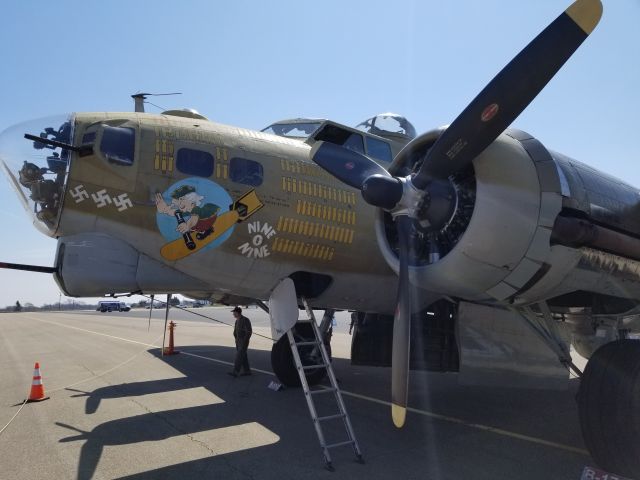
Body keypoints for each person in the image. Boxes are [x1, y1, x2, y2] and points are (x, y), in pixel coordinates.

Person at [229, 306, 252, 377]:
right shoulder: (237, 320)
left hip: (243, 341)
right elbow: (235, 331)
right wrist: (235, 337)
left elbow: (249, 332)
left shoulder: (245, 320)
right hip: (238, 341)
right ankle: (247, 371)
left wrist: (245, 341)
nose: (233, 314)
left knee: (239, 356)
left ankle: (235, 372)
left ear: (238, 313)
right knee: (243, 356)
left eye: (234, 313)